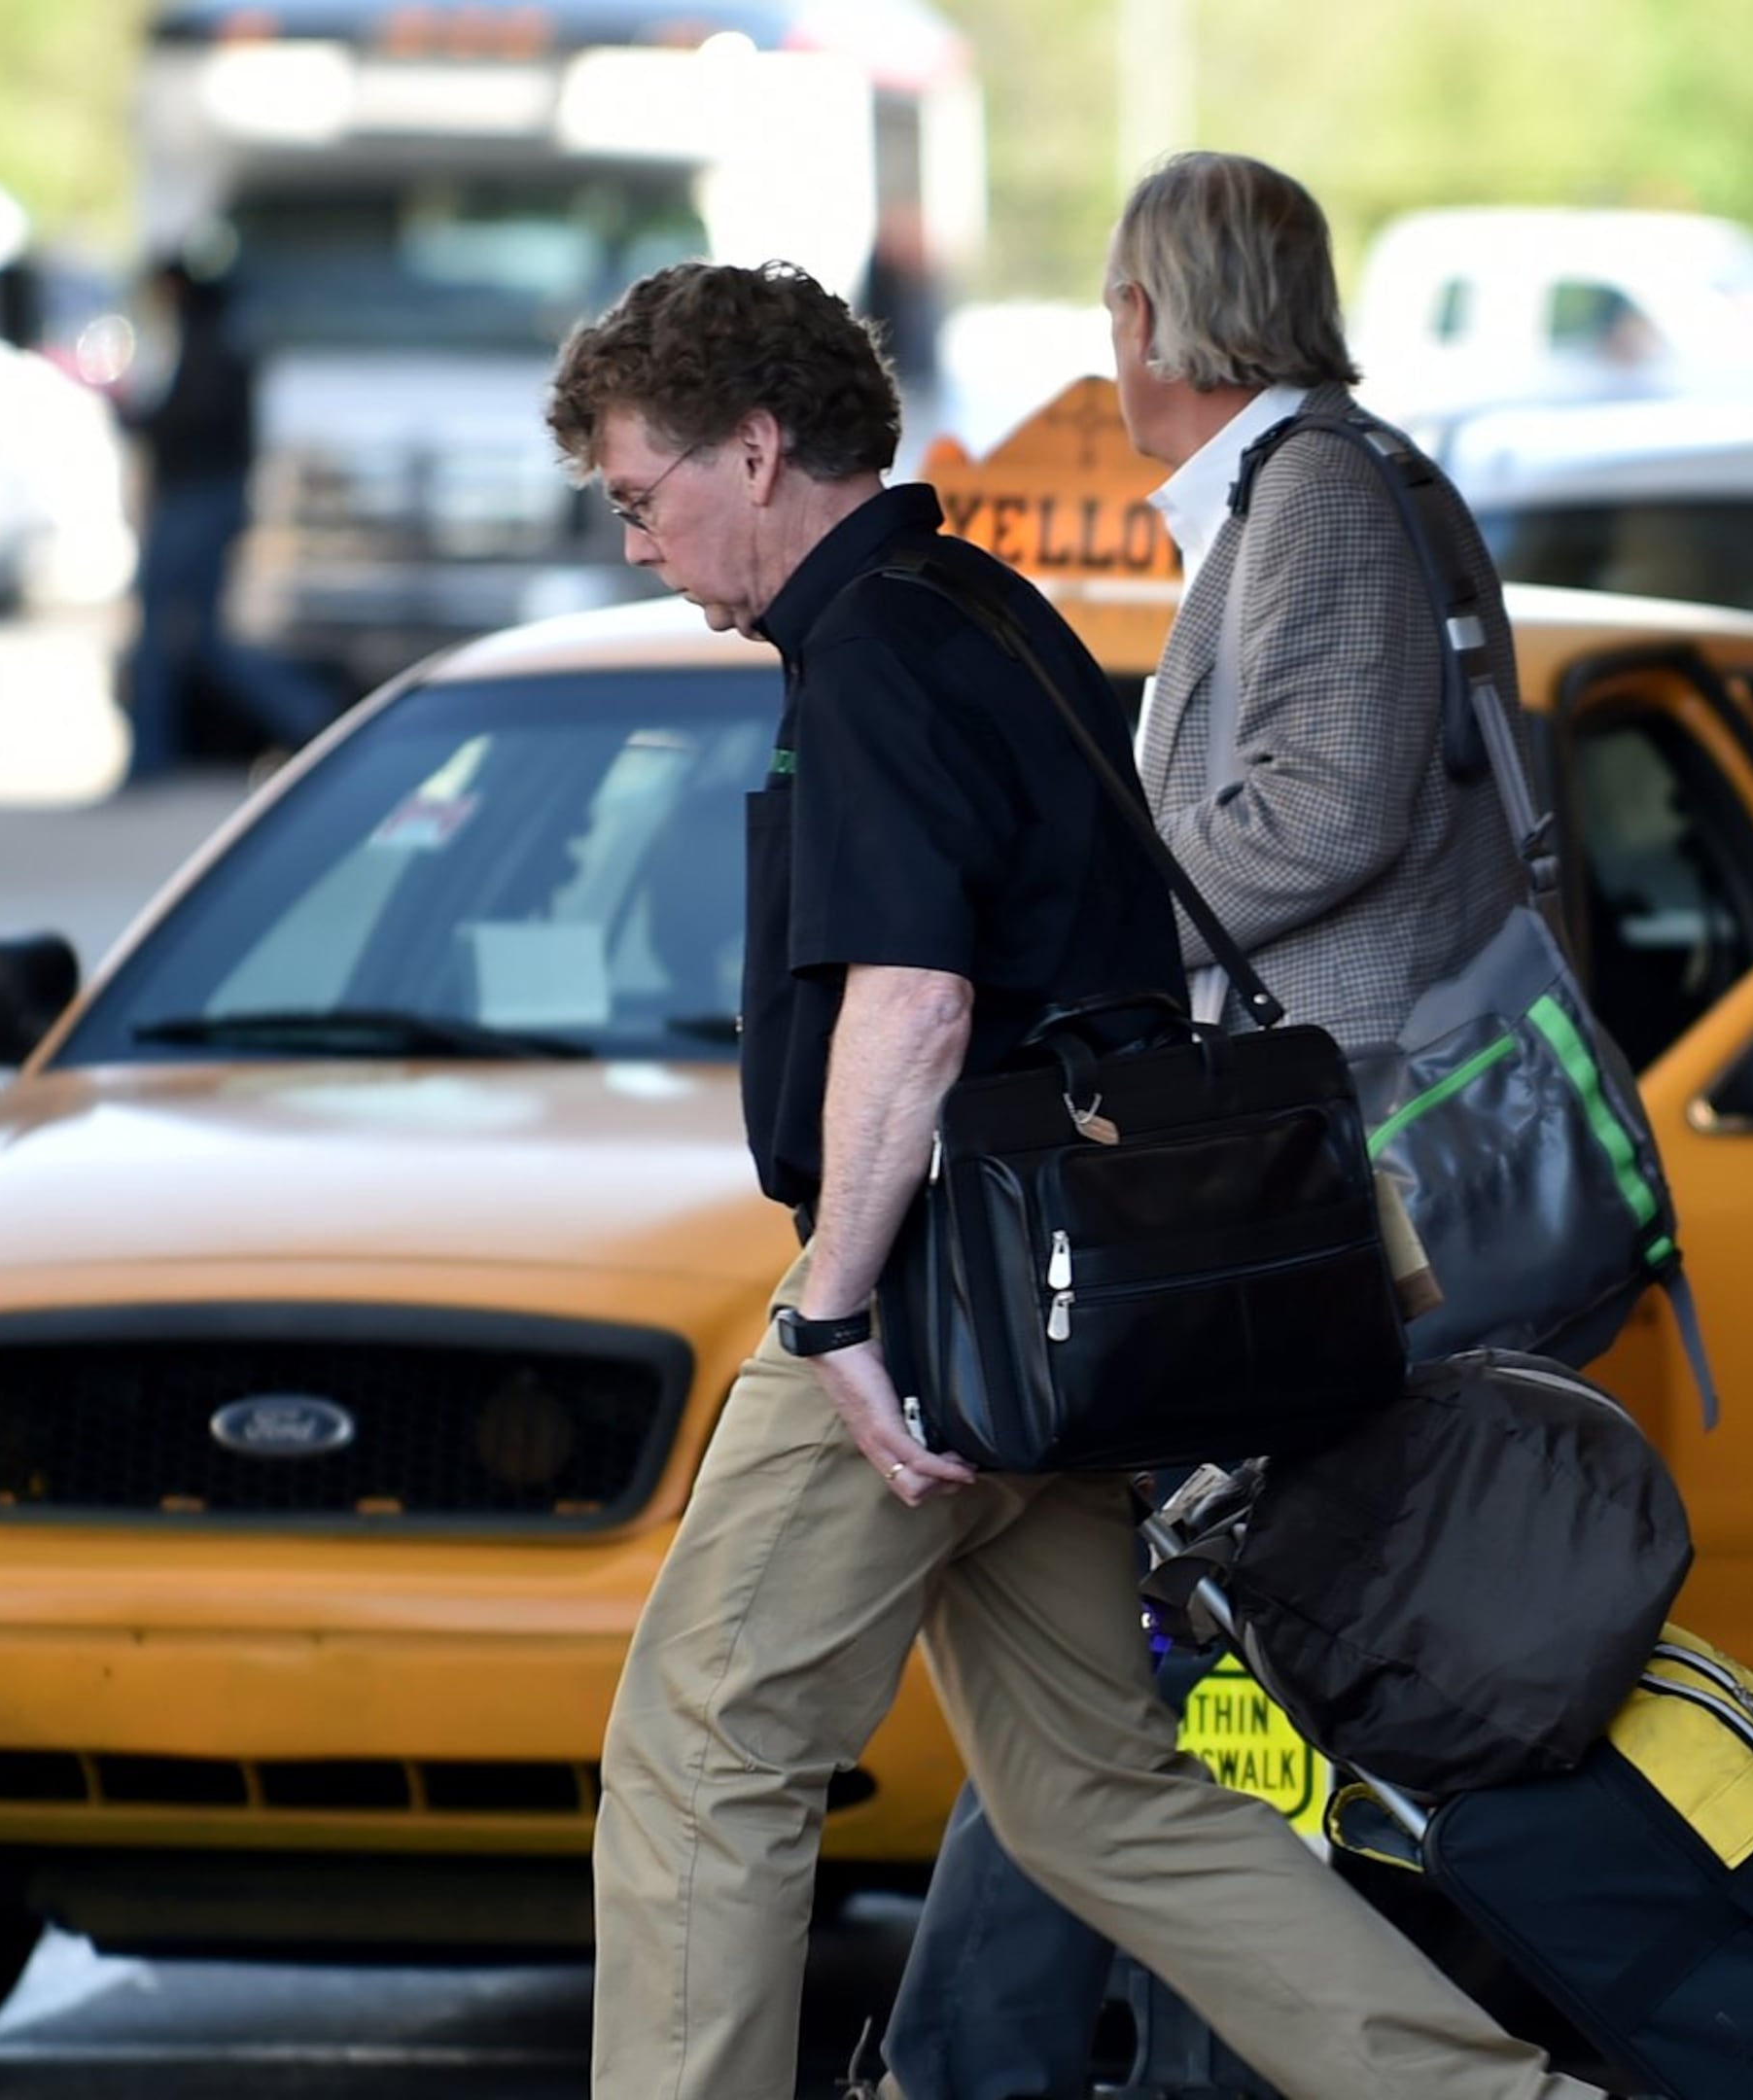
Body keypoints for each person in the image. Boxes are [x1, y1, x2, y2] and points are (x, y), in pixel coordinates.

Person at [560, 259, 1591, 2100]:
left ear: (761, 446)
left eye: (641, 498)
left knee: (704, 1758)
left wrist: (837, 1313)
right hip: (1068, 1311)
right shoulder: (984, 610)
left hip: (938, 1302)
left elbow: (919, 999)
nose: (636, 544)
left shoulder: (872, 655)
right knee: (1100, 1794)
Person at [875, 148, 1542, 2100]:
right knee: (1158, 1653)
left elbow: (1326, 814)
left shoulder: (1317, 492)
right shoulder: (1307, 490)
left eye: (1112, 307)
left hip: (1317, 1163)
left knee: (1164, 1652)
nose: (1108, 341)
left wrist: (1086, 920)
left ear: (1151, 320)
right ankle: (1040, 2056)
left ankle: (1020, 2061)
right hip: (1297, 1154)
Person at [118, 257, 337, 782]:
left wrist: (141, 421)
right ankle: (311, 714)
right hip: (210, 495)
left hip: (199, 495)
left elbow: (193, 418)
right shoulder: (221, 330)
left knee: (159, 632)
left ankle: (149, 759)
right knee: (202, 638)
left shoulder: (207, 336)